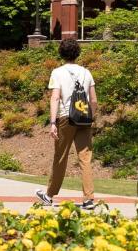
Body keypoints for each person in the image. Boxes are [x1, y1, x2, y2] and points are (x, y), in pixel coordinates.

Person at [36, 37, 98, 210]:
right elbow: (93, 100)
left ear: (61, 53)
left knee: (60, 157)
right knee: (85, 158)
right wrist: (91, 117)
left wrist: (52, 122)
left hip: (65, 117)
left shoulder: (57, 72)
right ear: (77, 53)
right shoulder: (87, 72)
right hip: (84, 119)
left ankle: (49, 195)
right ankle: (88, 198)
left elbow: (55, 97)